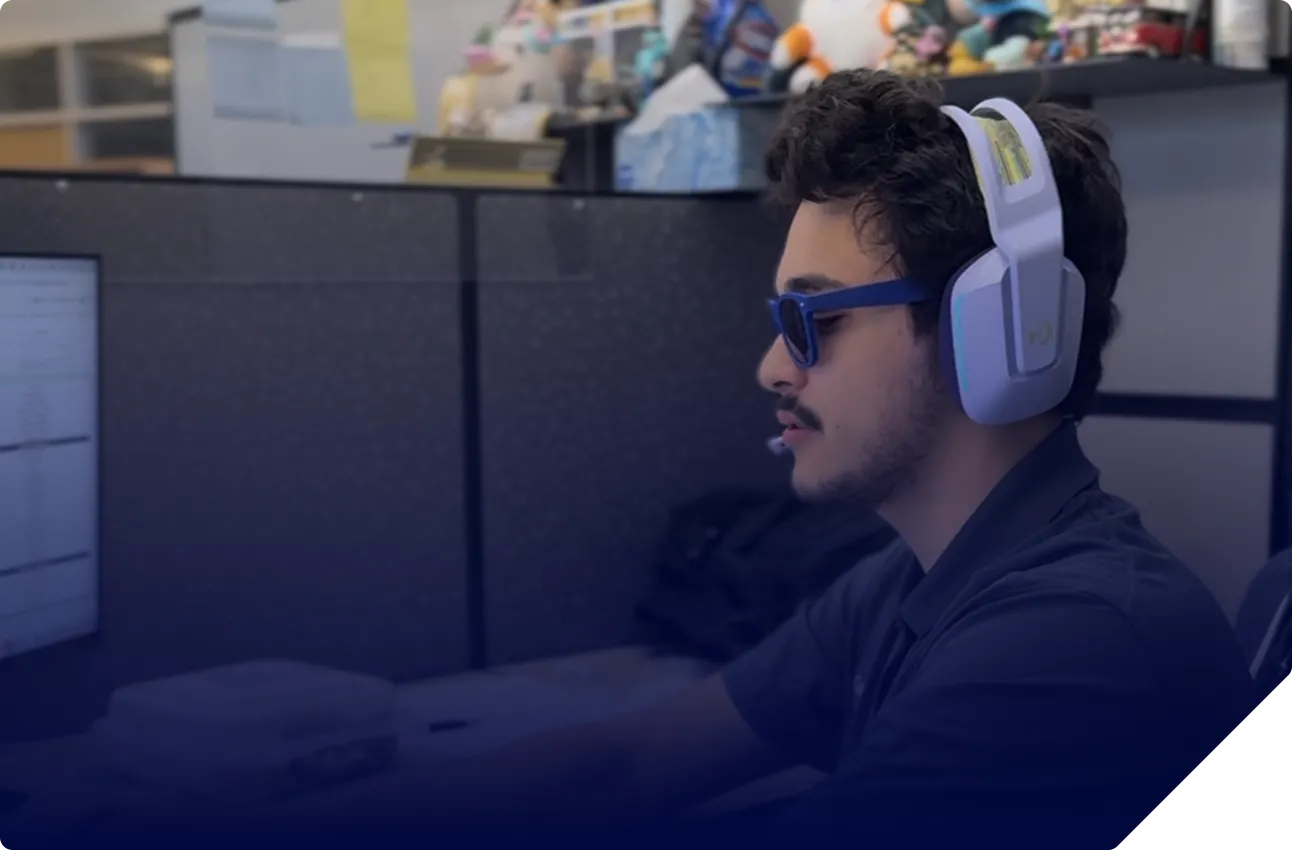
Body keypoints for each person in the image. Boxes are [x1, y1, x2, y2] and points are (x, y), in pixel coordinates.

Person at [89, 70, 1254, 850]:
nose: (767, 366)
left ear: (1000, 329)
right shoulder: (915, 579)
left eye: (811, 318)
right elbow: (629, 760)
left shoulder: (1075, 643)